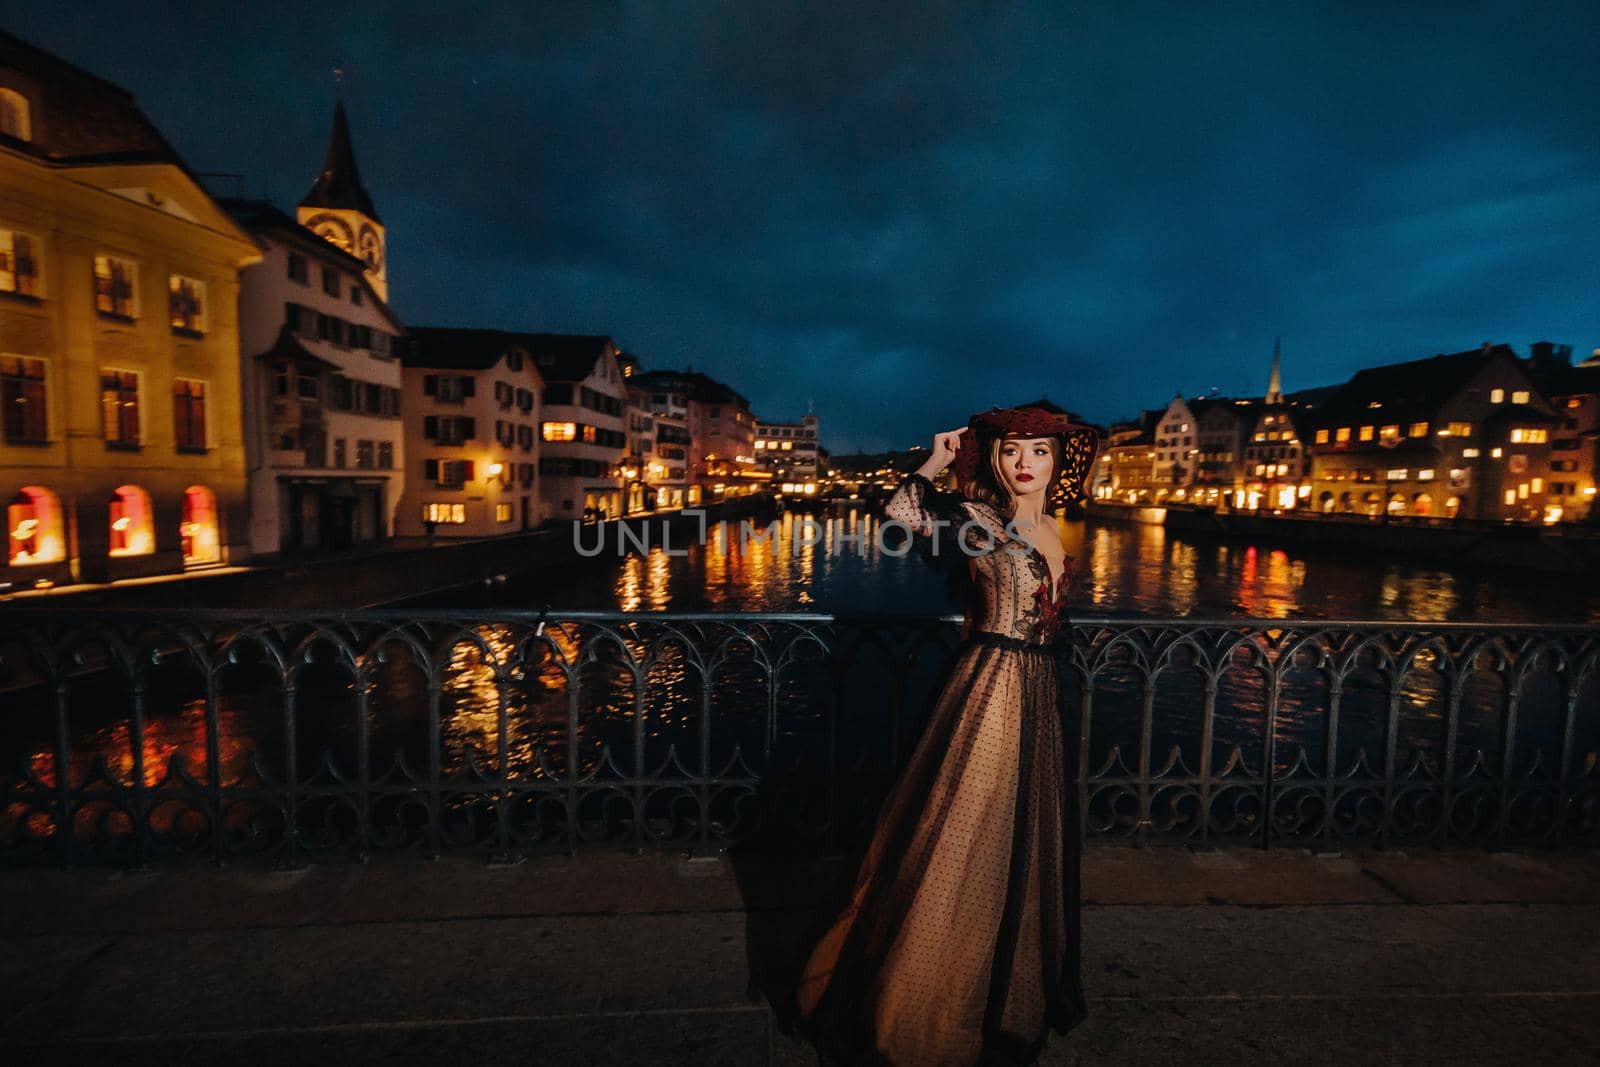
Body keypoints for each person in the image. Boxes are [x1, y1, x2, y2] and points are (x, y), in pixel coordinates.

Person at [794, 405, 1101, 1066]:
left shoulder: (1049, 526)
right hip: (989, 690)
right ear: (993, 461)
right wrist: (934, 461)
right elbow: (901, 517)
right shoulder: (981, 523)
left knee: (1016, 839)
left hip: (1041, 693)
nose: (1026, 463)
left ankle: (995, 979)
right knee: (962, 833)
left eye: (1041, 451)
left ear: (1057, 460)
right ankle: (922, 993)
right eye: (1013, 452)